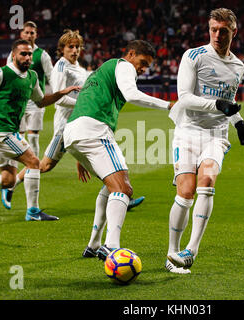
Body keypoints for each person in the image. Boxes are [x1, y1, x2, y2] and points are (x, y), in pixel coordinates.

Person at [3, 30, 146, 213]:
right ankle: (10, 184)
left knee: (93, 161)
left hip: (80, 124)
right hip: (65, 125)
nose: (75, 50)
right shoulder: (61, 67)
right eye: (70, 46)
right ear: (62, 49)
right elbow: (60, 98)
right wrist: (84, 104)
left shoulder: (79, 69)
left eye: (77, 46)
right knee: (44, 165)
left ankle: (121, 194)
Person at [62, 40, 174, 260]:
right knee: (123, 189)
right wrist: (169, 105)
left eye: (147, 66)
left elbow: (86, 100)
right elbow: (132, 95)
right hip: (94, 130)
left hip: (74, 133)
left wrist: (81, 154)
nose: (143, 69)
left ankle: (93, 245)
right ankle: (111, 246)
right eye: (142, 62)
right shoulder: (123, 66)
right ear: (130, 54)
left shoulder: (101, 71)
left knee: (110, 185)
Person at [0, 39, 80, 221]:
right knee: (33, 162)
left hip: (7, 131)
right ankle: (33, 212)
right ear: (14, 55)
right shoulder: (1, 73)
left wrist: (60, 93)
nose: (27, 57)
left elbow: (41, 101)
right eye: (23, 54)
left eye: (29, 54)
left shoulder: (32, 76)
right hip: (1, 131)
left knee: (8, 180)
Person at [166, 8, 244, 274]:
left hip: (216, 135)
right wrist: (219, 105)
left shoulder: (238, 65)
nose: (217, 35)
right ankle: (171, 253)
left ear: (233, 32)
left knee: (207, 182)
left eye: (223, 31)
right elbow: (184, 97)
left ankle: (191, 250)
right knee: (186, 191)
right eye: (213, 29)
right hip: (188, 131)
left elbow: (229, 101)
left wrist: (240, 124)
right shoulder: (193, 56)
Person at [7, 21, 53, 157]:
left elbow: (51, 76)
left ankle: (34, 169)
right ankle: (19, 168)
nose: (28, 35)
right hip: (18, 100)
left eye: (31, 33)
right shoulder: (13, 54)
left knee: (33, 136)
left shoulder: (42, 55)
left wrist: (57, 95)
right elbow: (8, 74)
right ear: (21, 34)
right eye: (26, 32)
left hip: (36, 101)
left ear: (36, 35)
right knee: (18, 136)